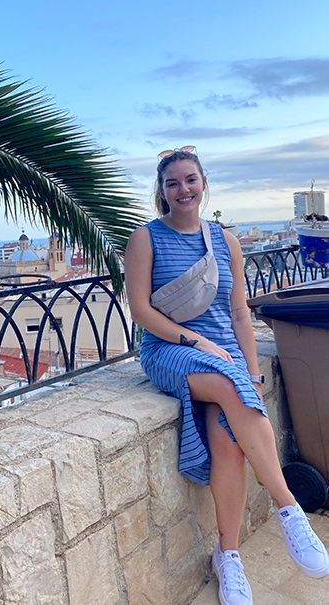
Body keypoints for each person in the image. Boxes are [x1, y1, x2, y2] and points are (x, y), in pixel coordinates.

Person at [124, 147, 329, 605]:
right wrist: (199, 344)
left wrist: (252, 371)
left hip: (226, 358)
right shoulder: (146, 239)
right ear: (161, 190)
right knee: (224, 381)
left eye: (190, 180)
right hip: (171, 351)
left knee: (229, 442)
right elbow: (141, 311)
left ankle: (228, 557)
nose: (183, 189)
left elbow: (239, 313)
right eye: (172, 182)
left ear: (203, 183)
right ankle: (289, 507)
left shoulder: (225, 240)